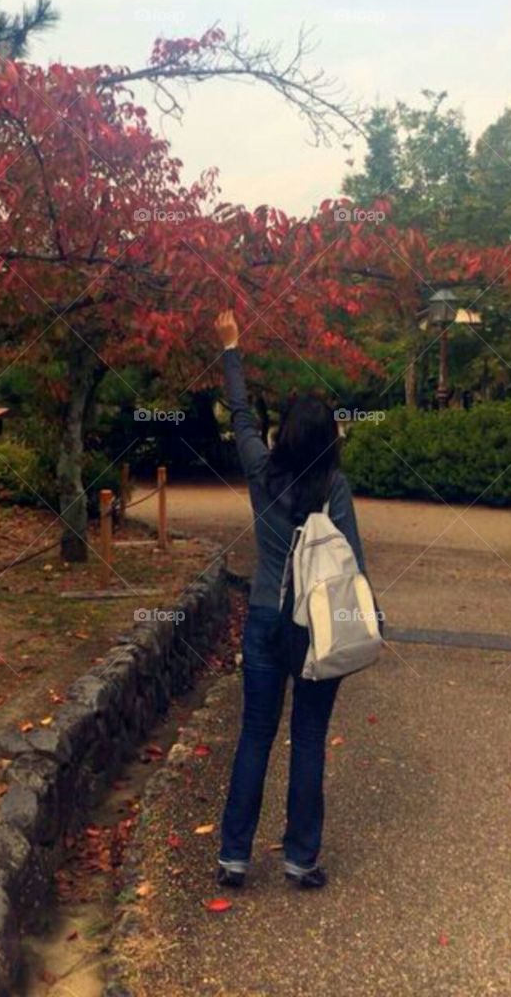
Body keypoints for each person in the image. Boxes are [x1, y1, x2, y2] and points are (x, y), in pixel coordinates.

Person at [214, 308, 377, 891]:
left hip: (264, 618)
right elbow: (351, 564)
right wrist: (371, 618)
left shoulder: (262, 472)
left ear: (283, 435)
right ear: (330, 440)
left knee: (255, 734)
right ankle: (300, 859)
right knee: (307, 739)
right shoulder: (334, 487)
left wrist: (231, 349)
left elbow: (240, 417)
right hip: (316, 627)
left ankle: (234, 856)